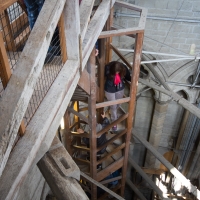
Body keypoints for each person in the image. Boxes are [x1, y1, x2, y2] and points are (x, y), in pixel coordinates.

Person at [104, 61, 131, 131]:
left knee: (118, 104)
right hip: (110, 89)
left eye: (118, 71)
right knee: (113, 106)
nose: (116, 73)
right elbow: (102, 75)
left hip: (119, 88)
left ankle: (114, 113)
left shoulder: (123, 68)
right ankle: (114, 122)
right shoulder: (108, 68)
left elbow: (128, 77)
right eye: (115, 72)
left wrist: (134, 80)